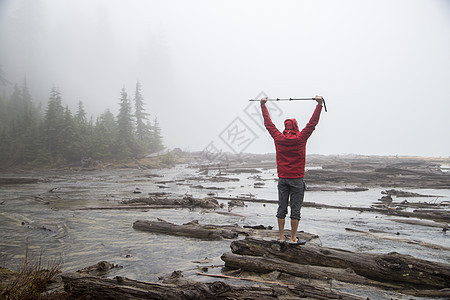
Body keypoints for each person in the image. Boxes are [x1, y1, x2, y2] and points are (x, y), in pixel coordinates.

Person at [260, 96, 323, 244]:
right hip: (297, 180)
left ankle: (282, 238)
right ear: (295, 126)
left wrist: (263, 105)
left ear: (285, 126)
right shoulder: (301, 138)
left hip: (283, 179)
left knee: (281, 208)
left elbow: (268, 124)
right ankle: (293, 238)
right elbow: (312, 124)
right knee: (296, 210)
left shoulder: (279, 138)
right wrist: (319, 105)